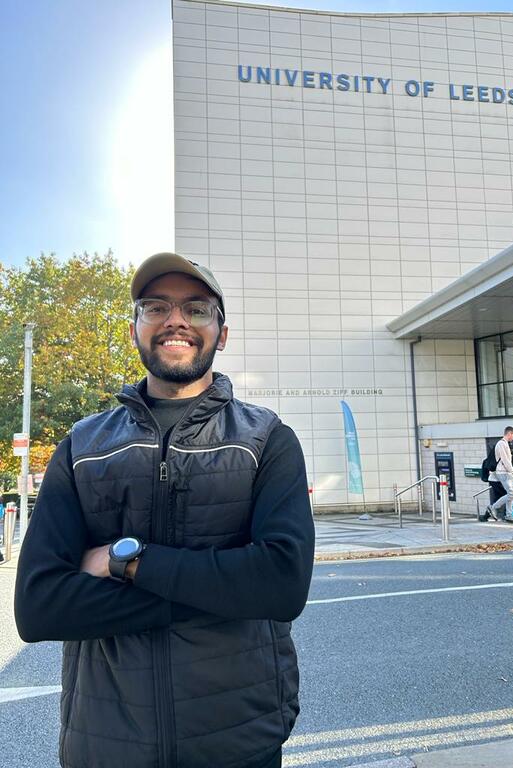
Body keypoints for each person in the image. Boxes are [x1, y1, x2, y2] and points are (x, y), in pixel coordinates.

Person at [15, 253, 315, 768]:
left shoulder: (266, 440)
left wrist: (125, 561)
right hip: (105, 742)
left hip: (239, 739)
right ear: (134, 328)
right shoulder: (83, 446)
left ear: (222, 334)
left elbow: (282, 584)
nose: (176, 319)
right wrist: (227, 589)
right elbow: (40, 607)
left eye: (197, 308)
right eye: (156, 306)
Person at [485, 426, 513, 523]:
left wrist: (511, 472)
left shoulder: (505, 444)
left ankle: (509, 514)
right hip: (503, 472)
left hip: (506, 472)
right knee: (511, 493)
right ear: (509, 433)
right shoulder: (501, 444)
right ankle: (493, 507)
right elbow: (505, 460)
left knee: (511, 494)